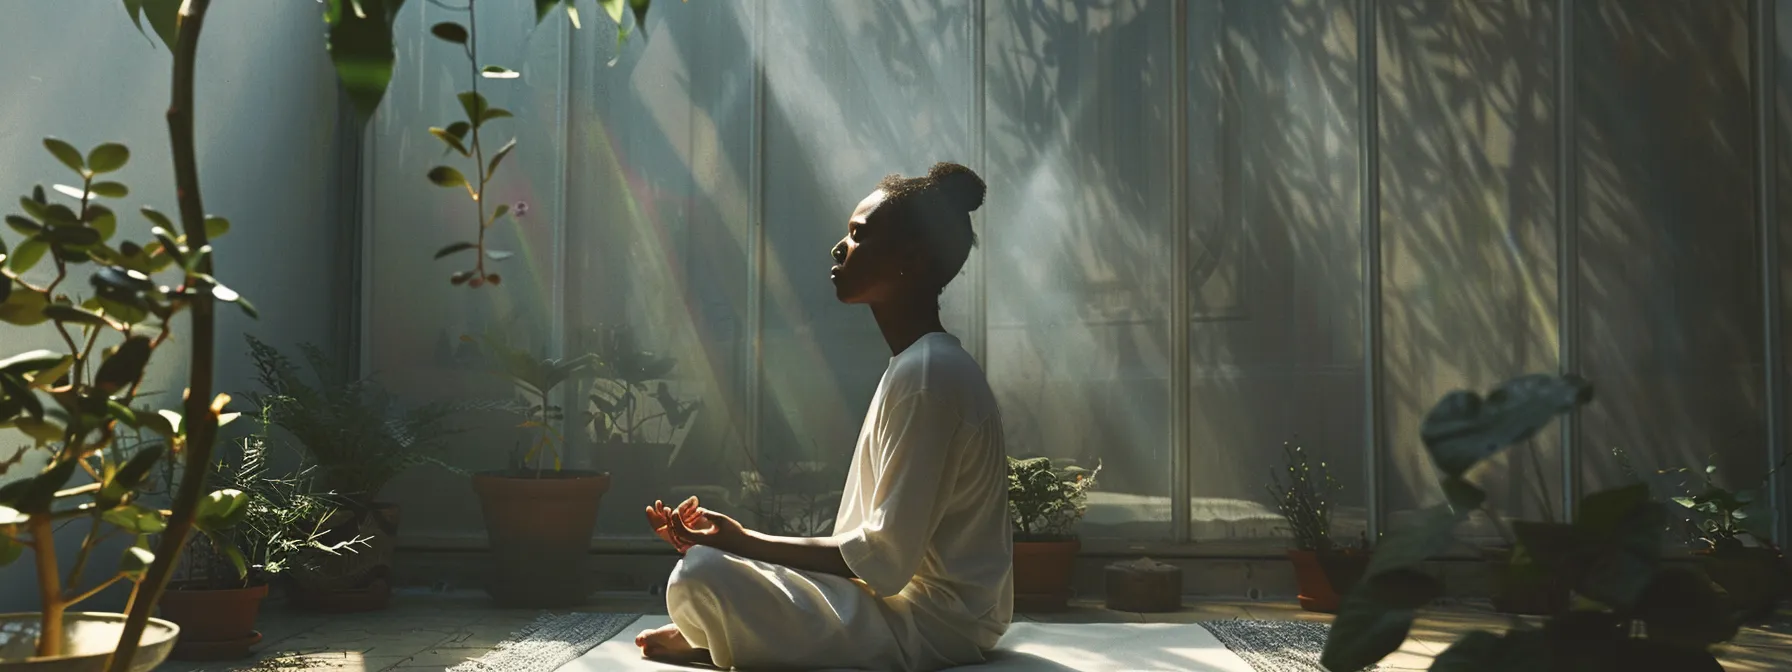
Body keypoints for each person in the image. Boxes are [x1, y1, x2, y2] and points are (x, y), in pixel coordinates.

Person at [636, 162, 1013, 671]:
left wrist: (744, 541)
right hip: (905, 608)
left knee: (701, 574)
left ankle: (728, 632)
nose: (840, 248)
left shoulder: (929, 377)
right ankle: (728, 631)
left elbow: (883, 564)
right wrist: (739, 547)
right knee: (706, 567)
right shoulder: (919, 366)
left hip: (936, 625)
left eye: (859, 236)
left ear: (912, 259)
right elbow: (872, 562)